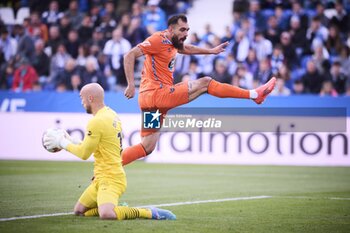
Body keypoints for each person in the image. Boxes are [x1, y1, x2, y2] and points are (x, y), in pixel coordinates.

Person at [121, 14, 276, 166]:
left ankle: (107, 168)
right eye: (182, 30)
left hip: (151, 104)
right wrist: (130, 84)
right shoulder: (157, 39)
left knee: (147, 146)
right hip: (157, 94)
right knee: (205, 83)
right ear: (170, 29)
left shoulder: (173, 42)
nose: (186, 34)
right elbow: (129, 55)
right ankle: (255, 94)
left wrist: (211, 51)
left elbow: (186, 48)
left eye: (187, 30)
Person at [43, 83, 176, 220]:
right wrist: (72, 141)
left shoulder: (96, 121)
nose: (81, 102)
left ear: (90, 98)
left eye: (81, 98)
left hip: (111, 178)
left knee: (107, 214)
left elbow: (84, 154)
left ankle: (148, 212)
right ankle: (115, 207)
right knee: (79, 211)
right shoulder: (111, 114)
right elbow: (101, 145)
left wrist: (62, 143)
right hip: (100, 178)